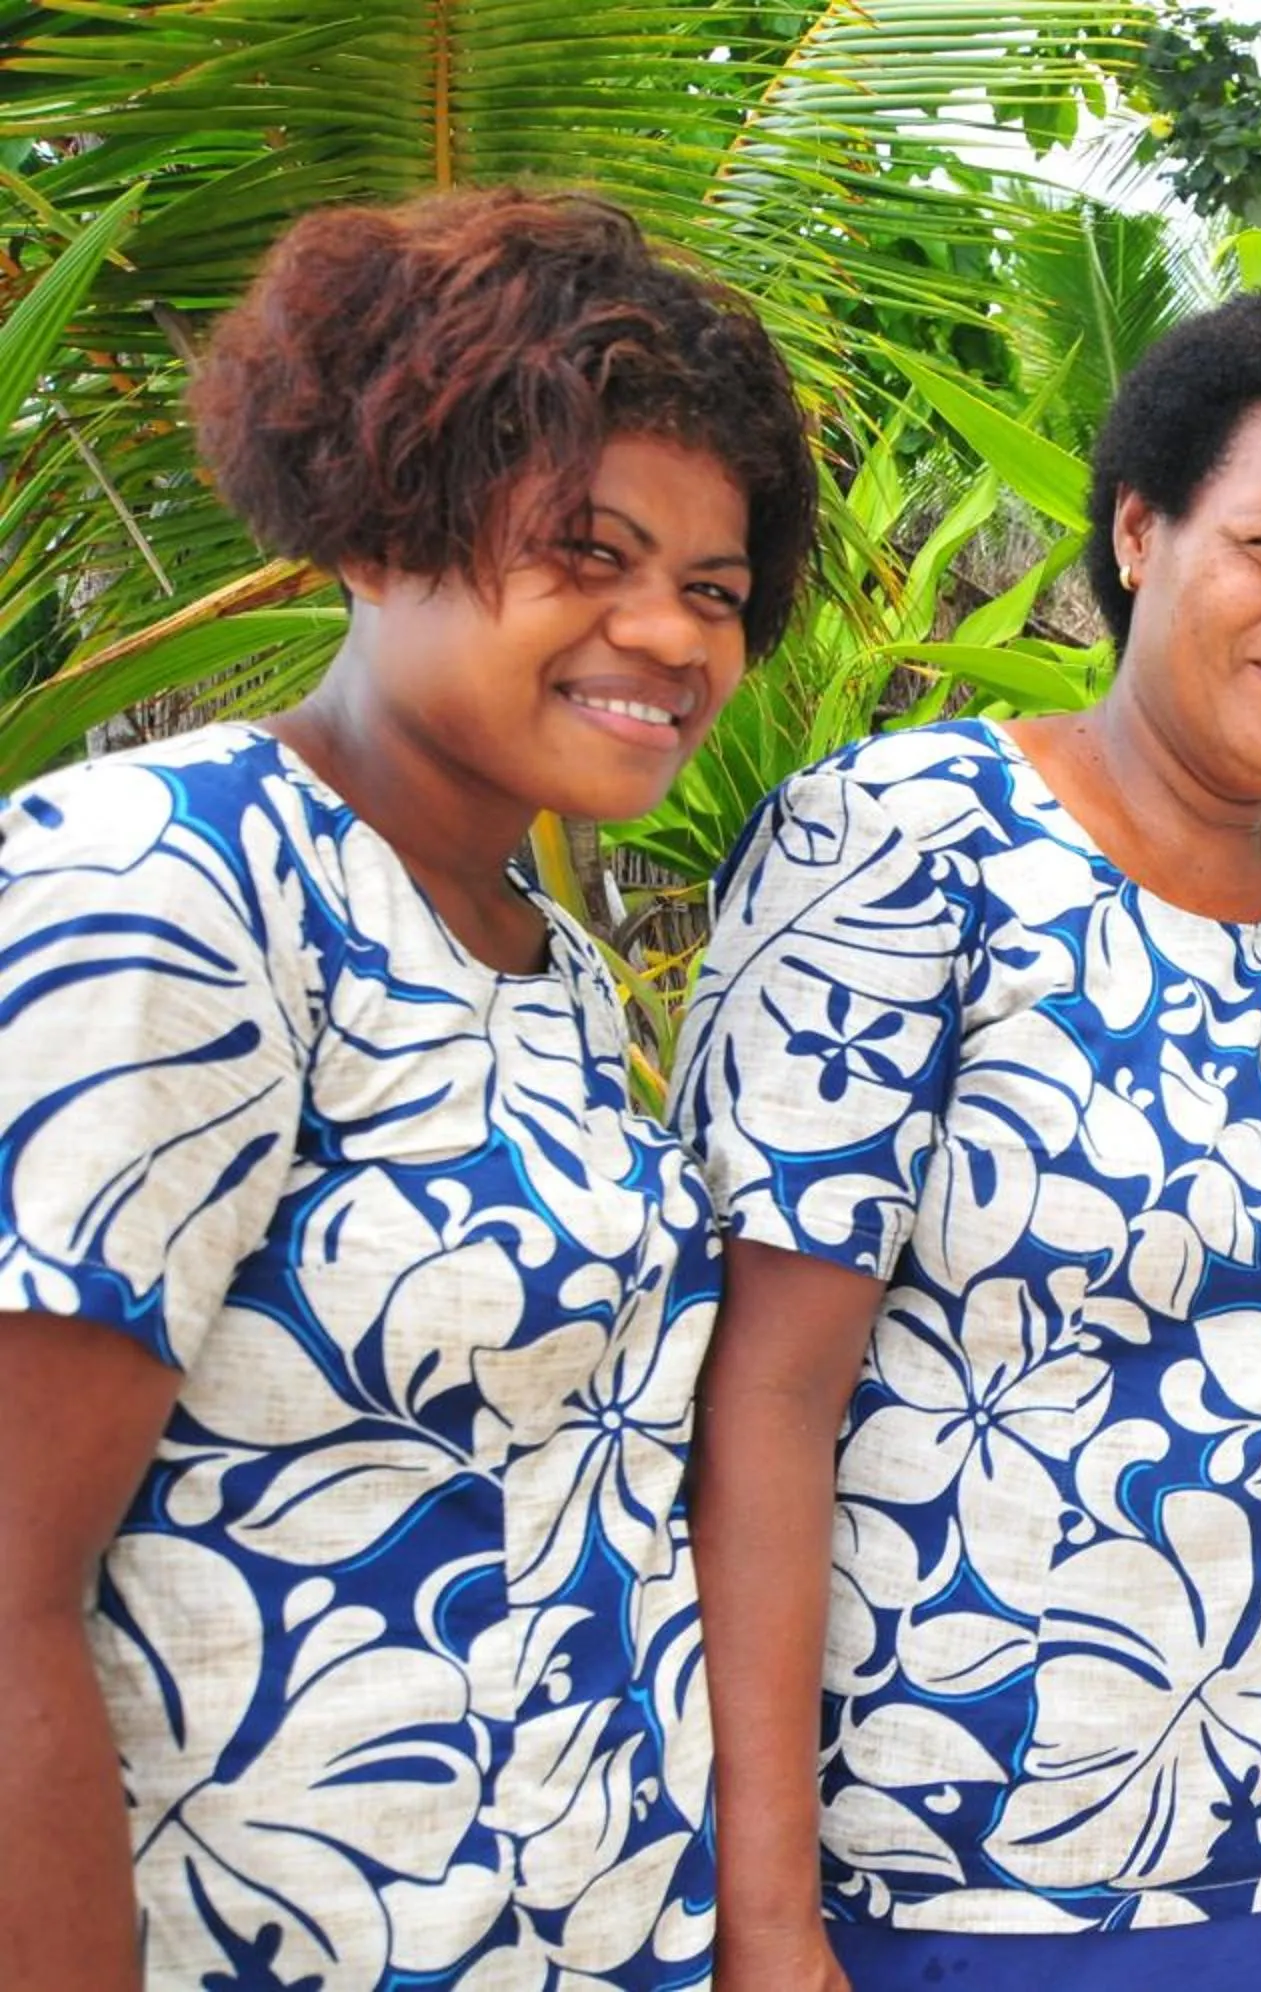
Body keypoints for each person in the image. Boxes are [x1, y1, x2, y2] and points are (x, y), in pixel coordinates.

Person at [0, 189, 816, 1989]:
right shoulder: (178, 883)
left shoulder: (546, 963)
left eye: (712, 588)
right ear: (383, 531)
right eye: (585, 552)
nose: (669, 636)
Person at [673, 293, 1261, 1991]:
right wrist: (761, 1910)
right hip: (988, 1876)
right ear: (1137, 528)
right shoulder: (898, 845)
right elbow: (760, 1392)